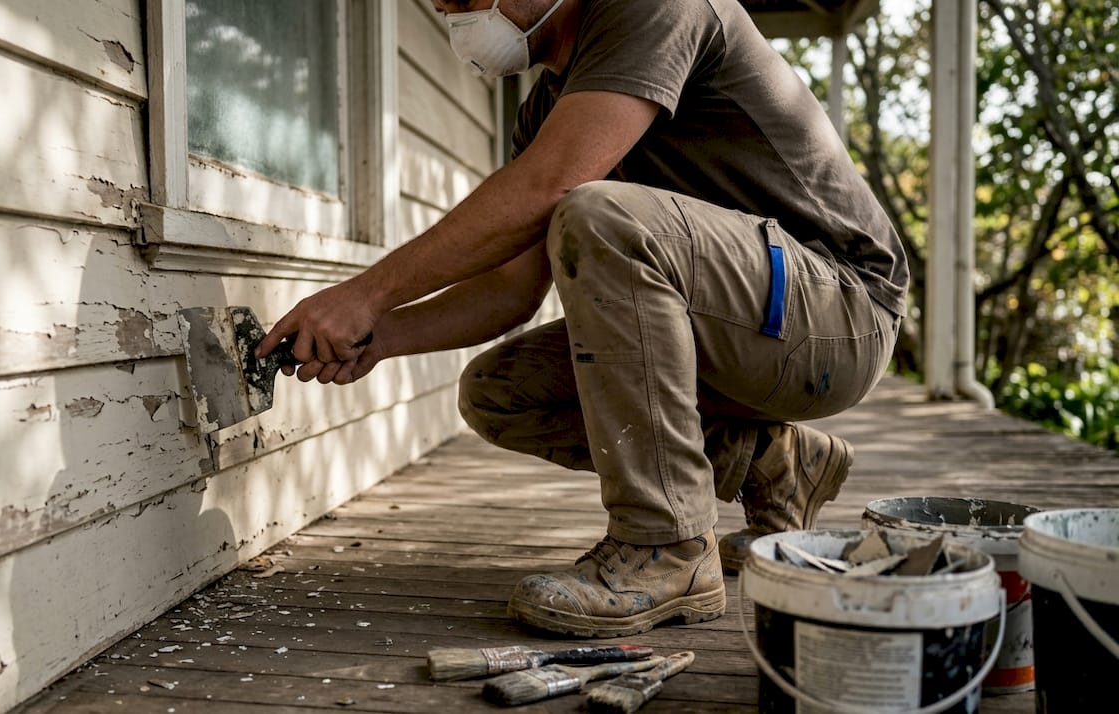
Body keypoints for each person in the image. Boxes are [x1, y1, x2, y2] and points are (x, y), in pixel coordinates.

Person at [255, 0, 906, 637]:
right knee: (499, 394)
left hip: (842, 311)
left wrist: (366, 293)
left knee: (598, 214)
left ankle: (667, 547)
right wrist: (378, 335)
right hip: (747, 327)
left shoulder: (653, 8)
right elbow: (510, 290)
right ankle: (771, 463)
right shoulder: (550, 106)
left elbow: (556, 187)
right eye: (442, 6)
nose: (455, 20)